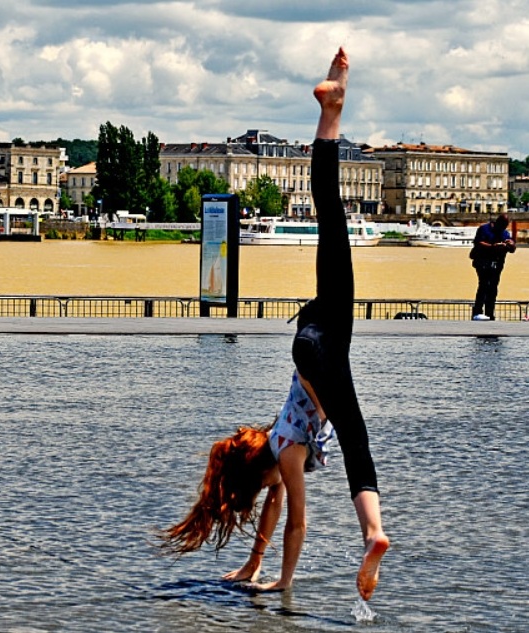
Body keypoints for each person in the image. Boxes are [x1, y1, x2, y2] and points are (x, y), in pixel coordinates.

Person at [162, 48, 389, 601]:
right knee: (329, 212)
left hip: (320, 347)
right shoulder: (277, 446)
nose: (275, 493)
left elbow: (294, 522)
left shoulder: (285, 454)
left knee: (358, 441)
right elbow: (276, 509)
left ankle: (375, 532)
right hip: (318, 331)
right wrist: (251, 565)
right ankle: (331, 108)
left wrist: (278, 581)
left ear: (260, 471)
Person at [470, 213, 516, 321]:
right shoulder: (484, 229)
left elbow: (512, 249)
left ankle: (490, 313)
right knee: (484, 285)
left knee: (493, 288)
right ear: (498, 222)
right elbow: (478, 243)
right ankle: (477, 312)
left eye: (506, 225)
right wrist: (492, 247)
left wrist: (510, 244)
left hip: (497, 264)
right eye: (503, 225)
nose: (504, 228)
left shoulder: (505, 233)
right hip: (482, 262)